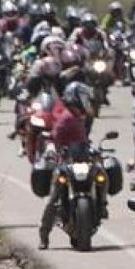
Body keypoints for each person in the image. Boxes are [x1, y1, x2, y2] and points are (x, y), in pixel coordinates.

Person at [38, 82, 95, 250]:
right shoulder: (66, 118)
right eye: (84, 98)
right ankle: (44, 235)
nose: (87, 101)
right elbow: (53, 137)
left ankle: (101, 205)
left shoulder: (79, 116)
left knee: (100, 176)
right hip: (66, 162)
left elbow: (83, 140)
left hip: (82, 160)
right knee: (54, 198)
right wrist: (51, 150)